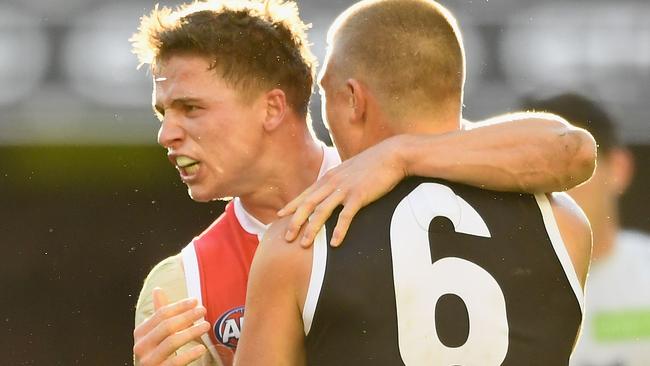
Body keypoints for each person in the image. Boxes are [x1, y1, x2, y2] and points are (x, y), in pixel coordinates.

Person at [129, 1, 596, 365]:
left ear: (273, 108)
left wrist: (399, 154)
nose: (165, 133)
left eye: (191, 108)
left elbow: (568, 148)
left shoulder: (293, 248)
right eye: (162, 112)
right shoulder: (181, 283)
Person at [522, 93, 650, 366]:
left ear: (619, 168)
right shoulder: (498, 286)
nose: (553, 187)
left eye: (571, 169)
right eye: (534, 172)